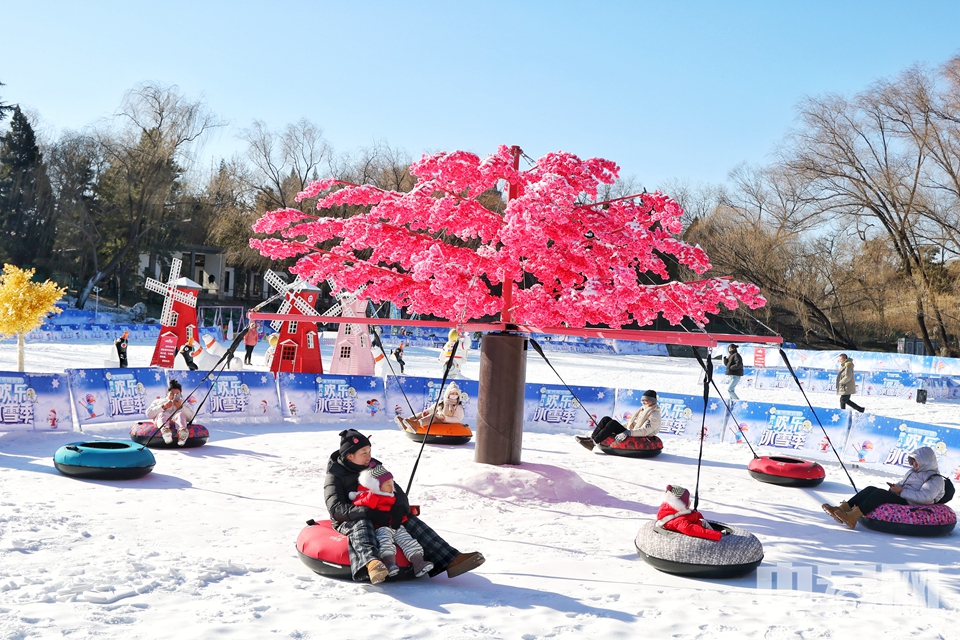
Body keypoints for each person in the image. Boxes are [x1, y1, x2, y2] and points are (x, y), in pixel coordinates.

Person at [324, 429, 485, 584]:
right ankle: (372, 564)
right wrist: (366, 512)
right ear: (350, 456)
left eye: (369, 451)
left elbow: (396, 490)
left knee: (408, 519)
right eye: (363, 453)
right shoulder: (335, 475)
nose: (368, 456)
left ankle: (451, 559)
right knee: (362, 523)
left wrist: (400, 506)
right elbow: (336, 508)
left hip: (380, 510)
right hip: (350, 517)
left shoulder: (375, 467)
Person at [822, 446, 945, 529]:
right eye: (913, 461)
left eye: (916, 461)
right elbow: (903, 483)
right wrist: (896, 487)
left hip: (913, 504)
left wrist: (901, 491)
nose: (914, 464)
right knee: (871, 489)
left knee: (880, 494)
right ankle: (843, 509)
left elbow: (925, 497)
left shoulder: (935, 479)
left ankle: (852, 517)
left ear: (926, 461)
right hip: (904, 496)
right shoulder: (914, 472)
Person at [349, 463, 434, 578]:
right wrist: (372, 497)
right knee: (385, 542)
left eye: (392, 483)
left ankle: (419, 563)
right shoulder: (368, 496)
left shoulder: (392, 495)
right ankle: (390, 565)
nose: (392, 486)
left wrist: (402, 513)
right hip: (381, 527)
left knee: (409, 541)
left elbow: (400, 505)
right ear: (376, 486)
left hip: (396, 526)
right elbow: (358, 504)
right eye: (388, 484)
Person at [575, 389, 661, 451]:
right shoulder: (643, 410)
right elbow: (632, 423)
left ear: (653, 401)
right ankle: (591, 439)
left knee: (612, 423)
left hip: (641, 436)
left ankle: (593, 442)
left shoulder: (654, 414)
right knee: (606, 419)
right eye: (642, 400)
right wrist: (616, 428)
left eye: (646, 400)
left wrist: (628, 432)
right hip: (632, 431)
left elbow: (645, 431)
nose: (644, 402)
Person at [655, 484, 722, 541]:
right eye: (688, 500)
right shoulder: (679, 521)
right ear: (681, 503)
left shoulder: (669, 509)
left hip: (696, 521)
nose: (690, 502)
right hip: (701, 527)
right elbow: (692, 530)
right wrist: (717, 535)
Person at [146, 379, 196, 446]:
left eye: (177, 394)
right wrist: (163, 407)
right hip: (163, 420)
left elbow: (191, 417)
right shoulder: (159, 401)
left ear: (180, 394)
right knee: (162, 414)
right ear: (167, 393)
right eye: (172, 393)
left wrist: (180, 407)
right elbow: (149, 414)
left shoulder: (184, 403)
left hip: (176, 420)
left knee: (180, 414)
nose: (174, 396)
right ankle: (166, 432)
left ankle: (182, 433)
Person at [399, 382, 465, 430]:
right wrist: (427, 412)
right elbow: (433, 408)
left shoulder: (458, 406)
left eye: (455, 394)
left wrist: (445, 418)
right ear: (448, 394)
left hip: (447, 422)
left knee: (433, 417)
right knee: (421, 414)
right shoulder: (442, 402)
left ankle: (417, 424)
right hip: (439, 418)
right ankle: (405, 423)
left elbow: (457, 419)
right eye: (452, 393)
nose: (454, 395)